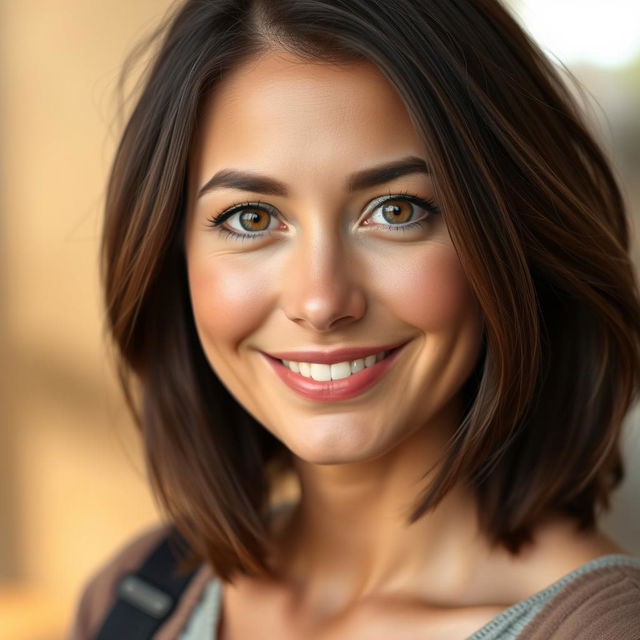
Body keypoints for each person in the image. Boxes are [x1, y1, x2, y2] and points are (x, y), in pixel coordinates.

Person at [69, 0, 640, 638]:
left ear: (515, 233)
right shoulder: (134, 596)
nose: (321, 301)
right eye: (251, 217)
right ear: (173, 255)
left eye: (396, 211)